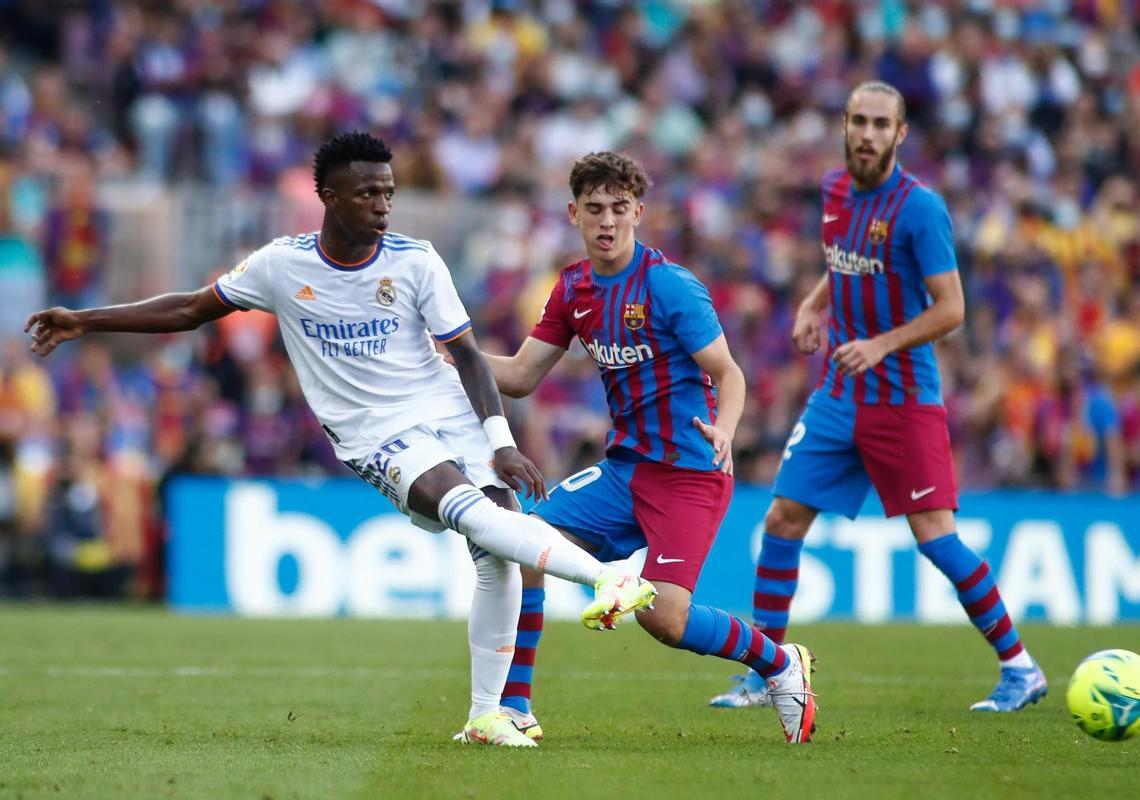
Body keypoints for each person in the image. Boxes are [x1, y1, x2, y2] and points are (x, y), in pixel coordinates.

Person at [24, 131, 657, 748]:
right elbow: (191, 308)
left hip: (447, 408)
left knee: (495, 553)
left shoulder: (416, 259)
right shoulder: (281, 265)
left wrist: (499, 439)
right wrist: (84, 318)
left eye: (388, 193)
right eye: (367, 195)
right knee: (476, 514)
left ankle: (487, 716)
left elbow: (465, 354)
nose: (382, 206)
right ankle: (605, 577)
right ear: (328, 196)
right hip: (374, 434)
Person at [707, 81, 1047, 713]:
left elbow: (952, 310)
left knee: (937, 538)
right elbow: (845, 262)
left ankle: (1020, 667)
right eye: (858, 121)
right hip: (839, 393)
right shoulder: (836, 191)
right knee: (781, 520)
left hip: (902, 397)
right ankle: (767, 673)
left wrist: (882, 344)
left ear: (900, 133)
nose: (867, 133)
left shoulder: (921, 210)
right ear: (844, 125)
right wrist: (814, 305)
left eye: (880, 124)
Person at [484, 152, 817, 745]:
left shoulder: (668, 286)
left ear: (639, 212)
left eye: (618, 209)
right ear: (573, 214)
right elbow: (518, 375)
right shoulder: (572, 289)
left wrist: (727, 428)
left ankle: (779, 663)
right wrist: (448, 355)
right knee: (520, 545)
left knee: (662, 619)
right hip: (623, 473)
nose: (607, 221)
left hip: (690, 474)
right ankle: (514, 708)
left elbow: (728, 372)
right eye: (594, 209)